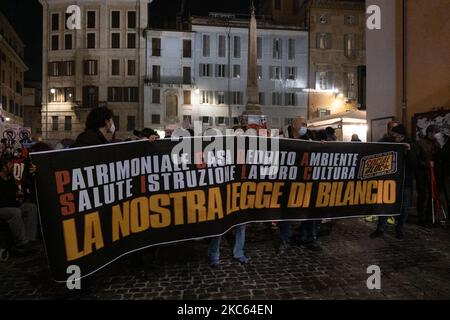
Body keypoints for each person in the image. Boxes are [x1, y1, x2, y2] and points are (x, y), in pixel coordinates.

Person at [278, 117, 322, 253]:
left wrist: (322, 147)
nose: (305, 126)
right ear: (294, 125)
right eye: (303, 124)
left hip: (305, 183)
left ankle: (307, 237)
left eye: (306, 124)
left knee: (309, 212)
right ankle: (285, 239)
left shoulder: (308, 138)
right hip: (287, 183)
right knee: (285, 214)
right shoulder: (282, 138)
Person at [370, 125, 414, 239]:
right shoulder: (387, 141)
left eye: (394, 134)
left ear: (401, 135)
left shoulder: (411, 144)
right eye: (392, 134)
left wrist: (408, 151)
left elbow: (414, 162)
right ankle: (380, 228)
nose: (393, 136)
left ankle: (399, 229)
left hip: (405, 181)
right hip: (389, 180)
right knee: (385, 204)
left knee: (404, 207)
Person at [0, 156, 38, 255]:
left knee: (31, 207)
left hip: (13, 204)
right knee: (15, 212)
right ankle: (21, 243)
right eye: (9, 164)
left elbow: (14, 192)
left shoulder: (10, 177)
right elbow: (4, 198)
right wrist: (15, 195)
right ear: (4, 167)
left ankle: (30, 240)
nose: (12, 166)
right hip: (2, 208)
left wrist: (19, 194)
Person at [415, 125, 442, 226]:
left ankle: (430, 217)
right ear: (429, 132)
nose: (436, 135)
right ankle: (421, 219)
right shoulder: (420, 143)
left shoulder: (436, 144)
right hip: (422, 174)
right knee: (423, 196)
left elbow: (439, 158)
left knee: (433, 195)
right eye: (435, 132)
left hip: (434, 174)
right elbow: (417, 159)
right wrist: (426, 164)